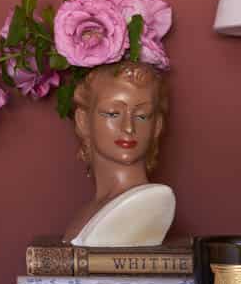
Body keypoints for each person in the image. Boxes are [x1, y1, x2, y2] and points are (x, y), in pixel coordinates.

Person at [62, 61, 175, 245]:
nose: (129, 127)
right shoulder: (89, 212)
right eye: (113, 113)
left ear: (157, 126)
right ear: (83, 121)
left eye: (142, 116)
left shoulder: (150, 204)